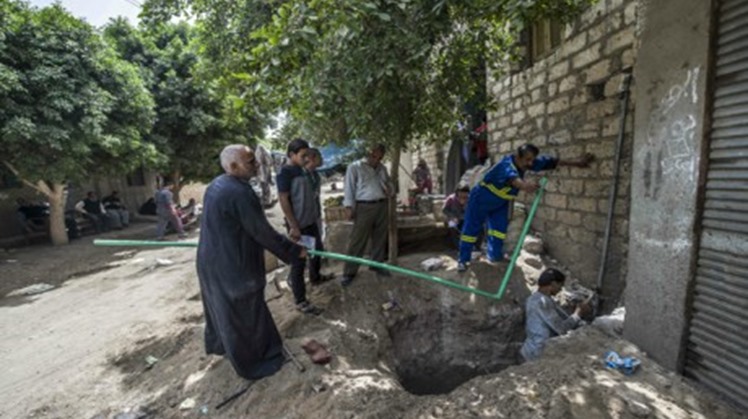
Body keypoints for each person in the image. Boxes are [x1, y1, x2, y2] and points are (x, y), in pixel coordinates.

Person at [197, 144, 307, 380]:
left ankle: (223, 346)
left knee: (223, 310)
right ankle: (257, 362)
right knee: (246, 313)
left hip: (210, 260)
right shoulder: (240, 192)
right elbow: (261, 232)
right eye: (251, 162)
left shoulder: (217, 185)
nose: (257, 165)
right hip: (232, 265)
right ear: (234, 166)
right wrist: (294, 251)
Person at [457, 144, 593, 272]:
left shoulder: (526, 163)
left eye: (532, 160)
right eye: (527, 160)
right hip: (481, 199)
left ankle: (494, 256)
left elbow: (551, 162)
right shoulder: (505, 166)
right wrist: (526, 186)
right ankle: (463, 260)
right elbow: (514, 180)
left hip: (501, 201)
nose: (530, 164)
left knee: (499, 230)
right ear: (517, 156)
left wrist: (578, 163)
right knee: (471, 229)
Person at [277, 139, 324, 315]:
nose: (306, 158)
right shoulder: (285, 173)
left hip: (310, 222)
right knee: (299, 262)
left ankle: (315, 277)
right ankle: (301, 301)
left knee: (318, 250)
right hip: (299, 226)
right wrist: (293, 226)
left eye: (307, 155)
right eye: (302, 155)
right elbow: (283, 199)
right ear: (291, 155)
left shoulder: (302, 170)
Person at [341, 144, 392, 286]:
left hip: (382, 205)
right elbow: (349, 189)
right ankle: (349, 272)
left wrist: (390, 190)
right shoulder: (355, 167)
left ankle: (376, 264)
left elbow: (390, 185)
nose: (377, 160)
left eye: (380, 157)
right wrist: (349, 207)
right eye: (375, 156)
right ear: (368, 153)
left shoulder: (383, 168)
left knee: (380, 237)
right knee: (358, 240)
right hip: (364, 206)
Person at [520, 268, 589, 362]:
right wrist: (577, 314)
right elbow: (561, 328)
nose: (561, 289)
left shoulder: (535, 299)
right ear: (552, 284)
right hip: (539, 353)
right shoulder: (542, 302)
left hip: (530, 350)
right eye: (560, 285)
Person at [442, 184, 483, 249]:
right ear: (456, 194)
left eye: (465, 196)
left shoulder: (471, 200)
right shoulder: (451, 199)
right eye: (460, 196)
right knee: (452, 226)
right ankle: (459, 246)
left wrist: (465, 206)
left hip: (466, 219)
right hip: (454, 218)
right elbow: (444, 210)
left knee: (479, 227)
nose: (462, 198)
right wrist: (452, 217)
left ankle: (477, 246)